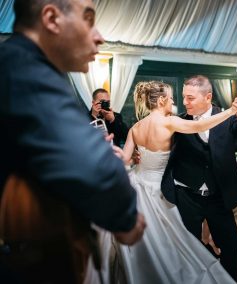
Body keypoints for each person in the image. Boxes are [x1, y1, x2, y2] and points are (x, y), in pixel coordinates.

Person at [0, 0, 145, 282]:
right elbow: (90, 164)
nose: (99, 36)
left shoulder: (22, 65)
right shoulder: (26, 69)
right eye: (88, 19)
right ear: (52, 18)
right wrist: (125, 216)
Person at [120, 80, 237, 283]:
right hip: (164, 192)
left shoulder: (135, 127)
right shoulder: (170, 122)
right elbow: (198, 125)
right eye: (170, 98)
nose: (174, 101)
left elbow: (124, 159)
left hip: (139, 186)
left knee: (155, 243)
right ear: (161, 100)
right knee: (182, 243)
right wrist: (231, 110)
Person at [161, 75, 237, 281]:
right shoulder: (179, 122)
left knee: (231, 244)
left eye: (190, 98)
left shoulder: (228, 117)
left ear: (208, 97)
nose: (185, 102)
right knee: (189, 247)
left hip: (219, 196)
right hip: (187, 196)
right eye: (184, 97)